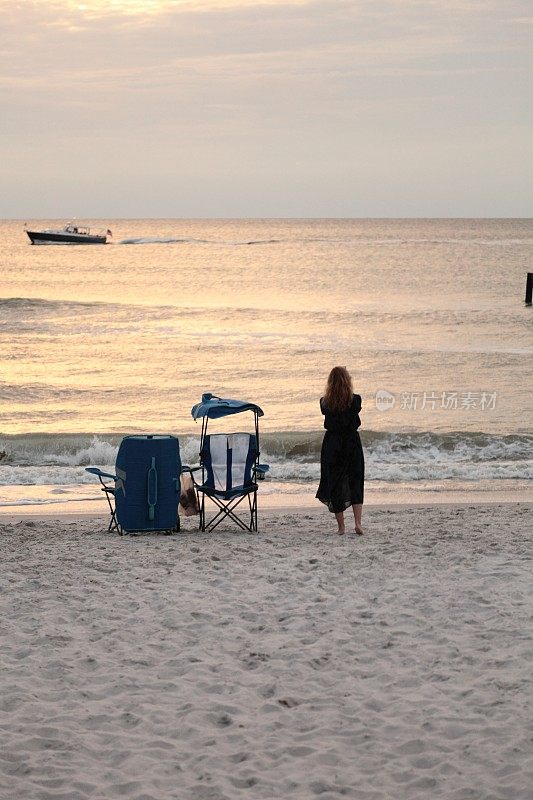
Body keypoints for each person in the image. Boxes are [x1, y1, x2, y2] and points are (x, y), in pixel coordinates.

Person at [316, 366, 365, 535]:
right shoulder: (356, 401)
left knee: (335, 482)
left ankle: (341, 527)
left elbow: (327, 410)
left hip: (333, 444)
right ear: (348, 381)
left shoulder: (325, 402)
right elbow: (354, 408)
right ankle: (358, 523)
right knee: (355, 480)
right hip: (352, 442)